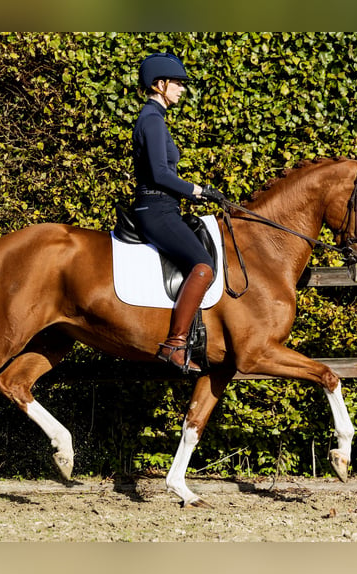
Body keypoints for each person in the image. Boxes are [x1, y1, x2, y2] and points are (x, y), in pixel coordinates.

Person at [132, 53, 224, 375]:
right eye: (178, 84)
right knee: (203, 266)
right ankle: (175, 342)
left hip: (163, 205)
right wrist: (198, 190)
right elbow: (160, 173)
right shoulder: (152, 120)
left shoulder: (154, 118)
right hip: (155, 209)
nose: (182, 90)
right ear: (160, 84)